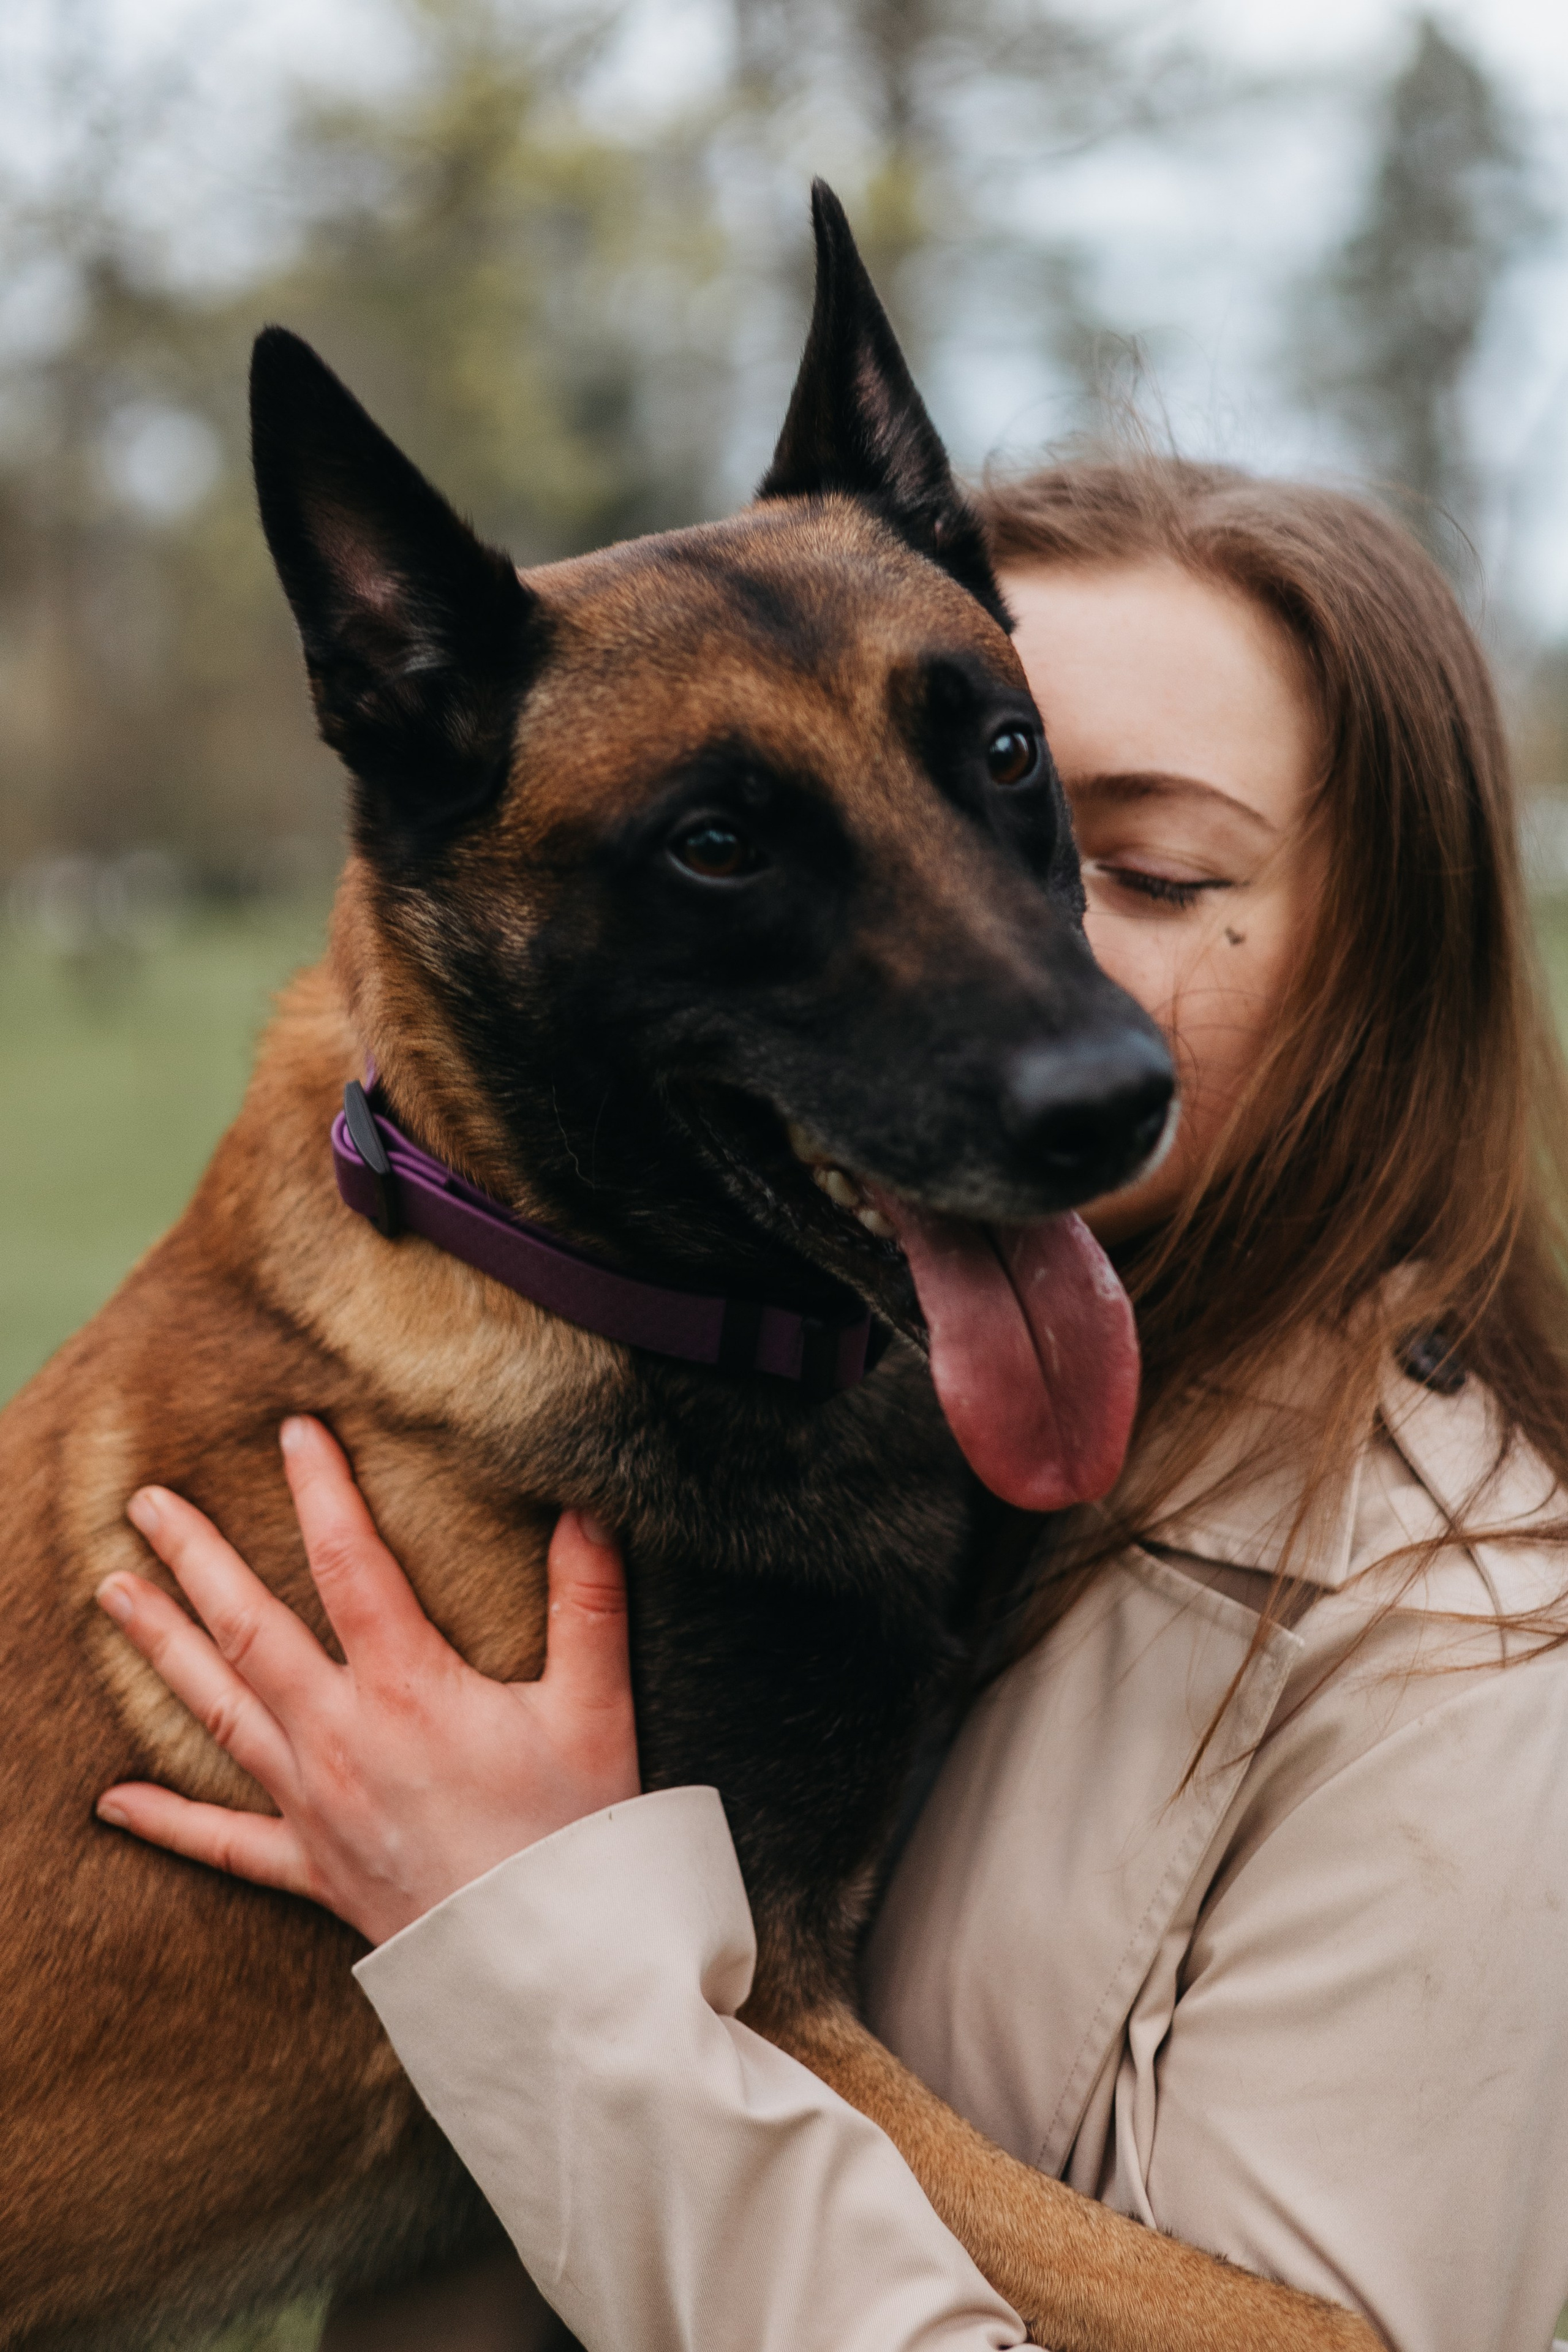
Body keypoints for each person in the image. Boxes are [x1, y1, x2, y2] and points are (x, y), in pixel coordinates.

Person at [92, 458, 1568, 2352]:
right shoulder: (732, 1387)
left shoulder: (1468, 1652)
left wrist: (550, 1959)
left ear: (1390, 959)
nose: (1021, 964)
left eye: (1136, 861)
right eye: (747, 849)